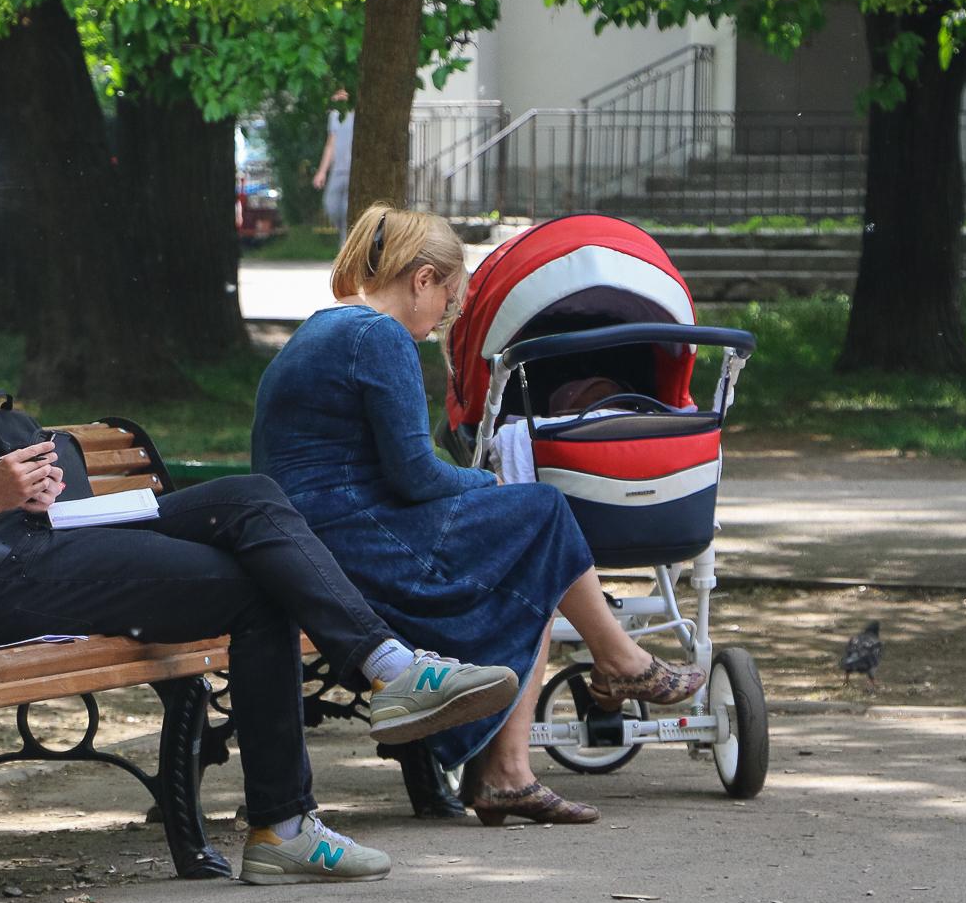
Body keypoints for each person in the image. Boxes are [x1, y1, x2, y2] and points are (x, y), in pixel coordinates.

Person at [0, 203, 522, 885]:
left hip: (30, 535)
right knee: (259, 586)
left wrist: (21, 489)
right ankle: (289, 816)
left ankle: (387, 675)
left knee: (252, 498)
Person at [250, 204, 705, 827]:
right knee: (540, 508)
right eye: (450, 299)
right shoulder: (379, 336)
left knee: (534, 547)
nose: (446, 318)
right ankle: (614, 669)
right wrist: (483, 480)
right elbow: (415, 476)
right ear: (422, 280)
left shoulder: (327, 328)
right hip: (350, 540)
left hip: (316, 535)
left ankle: (508, 773)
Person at [310, 90, 354, 247]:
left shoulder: (358, 113)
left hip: (353, 170)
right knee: (331, 205)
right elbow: (331, 144)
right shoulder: (335, 115)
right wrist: (322, 171)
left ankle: (346, 243)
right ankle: (345, 236)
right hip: (337, 170)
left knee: (348, 209)